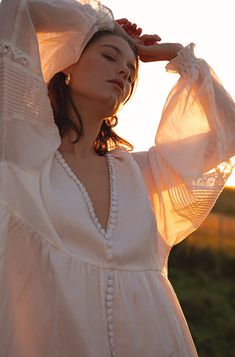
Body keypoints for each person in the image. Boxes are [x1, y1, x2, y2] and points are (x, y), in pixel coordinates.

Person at [0, 0, 234, 356]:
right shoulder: (24, 155)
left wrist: (179, 57)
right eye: (109, 57)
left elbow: (226, 136)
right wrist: (94, 21)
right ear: (68, 66)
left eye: (129, 70)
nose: (124, 72)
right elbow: (14, 9)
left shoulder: (137, 172)